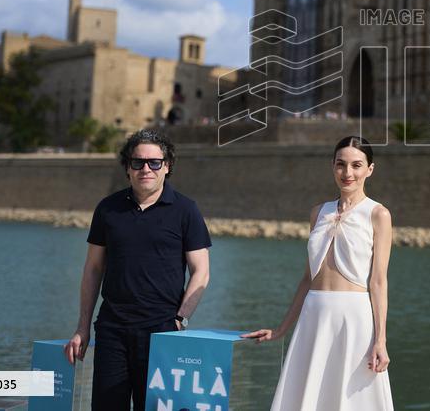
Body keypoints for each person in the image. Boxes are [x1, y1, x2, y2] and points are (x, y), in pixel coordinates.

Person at [63, 129, 211, 410]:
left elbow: (201, 271)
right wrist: (82, 327)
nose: (146, 168)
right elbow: (93, 269)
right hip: (112, 331)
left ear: (167, 167)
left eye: (154, 162)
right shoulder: (108, 209)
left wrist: (180, 320)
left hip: (162, 332)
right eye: (137, 162)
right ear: (127, 168)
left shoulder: (186, 210)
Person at [244, 135, 394, 410]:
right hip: (313, 316)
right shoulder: (318, 213)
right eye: (341, 164)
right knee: (308, 396)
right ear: (332, 167)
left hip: (354, 320)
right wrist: (281, 329)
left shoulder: (378, 214)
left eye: (356, 165)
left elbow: (379, 281)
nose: (348, 173)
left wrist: (380, 341)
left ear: (370, 169)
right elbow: (307, 279)